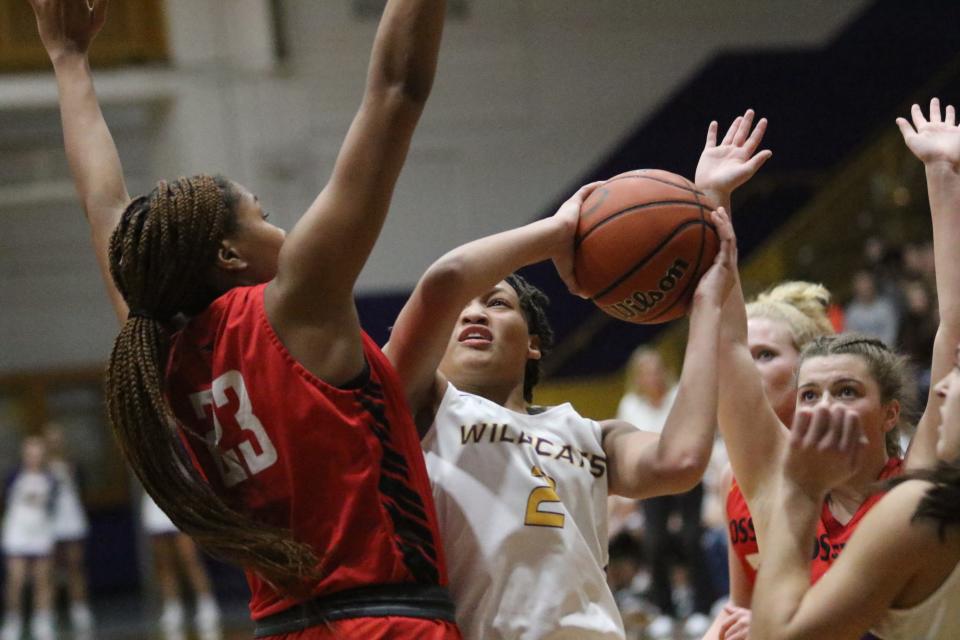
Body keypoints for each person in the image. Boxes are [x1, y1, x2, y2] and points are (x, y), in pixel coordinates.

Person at [29, 0, 458, 637]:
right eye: (263, 213)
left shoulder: (158, 350)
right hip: (386, 622)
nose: (282, 226)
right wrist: (69, 58)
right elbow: (397, 90)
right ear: (229, 254)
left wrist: (69, 62)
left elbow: (103, 203)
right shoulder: (295, 304)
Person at [379, 108, 767, 638]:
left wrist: (704, 293)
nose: (473, 313)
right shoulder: (419, 408)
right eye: (463, 311)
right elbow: (445, 281)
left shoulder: (591, 435)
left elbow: (680, 460)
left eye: (497, 304)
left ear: (534, 343)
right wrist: (559, 232)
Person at [724, 98, 960, 640]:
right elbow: (729, 353)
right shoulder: (771, 480)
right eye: (810, 396)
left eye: (847, 391)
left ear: (889, 414)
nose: (825, 407)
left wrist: (941, 176)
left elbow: (952, 329)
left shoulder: (913, 488)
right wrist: (714, 204)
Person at [700, 280, 836, 640]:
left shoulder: (844, 464)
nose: (748, 367)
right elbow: (739, 606)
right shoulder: (732, 476)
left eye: (764, 354)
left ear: (809, 366)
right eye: (742, 354)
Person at [616, 348, 714, 639]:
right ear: (638, 378)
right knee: (655, 543)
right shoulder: (630, 405)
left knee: (692, 537)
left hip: (687, 476)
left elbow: (692, 437)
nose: (652, 376)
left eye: (656, 369)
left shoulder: (678, 397)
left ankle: (701, 607)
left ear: (664, 371)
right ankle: (666, 611)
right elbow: (628, 446)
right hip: (653, 481)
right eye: (645, 372)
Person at [140, 492, 222, 640]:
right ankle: (172, 608)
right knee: (164, 564)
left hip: (180, 500)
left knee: (189, 559)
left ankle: (207, 605)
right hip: (154, 502)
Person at [43, 423, 95, 639]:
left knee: (75, 566)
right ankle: (48, 613)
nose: (55, 442)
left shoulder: (73, 464)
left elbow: (84, 488)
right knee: (51, 570)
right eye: (51, 438)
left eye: (58, 438)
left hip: (72, 518)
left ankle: (79, 609)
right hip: (49, 523)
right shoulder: (41, 466)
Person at [1, 436, 57, 640]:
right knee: (16, 579)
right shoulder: (13, 476)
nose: (34, 458)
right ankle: (12, 621)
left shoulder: (50, 478)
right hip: (17, 533)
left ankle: (42, 620)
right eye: (30, 454)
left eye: (37, 454)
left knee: (42, 580)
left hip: (41, 533)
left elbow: (53, 506)